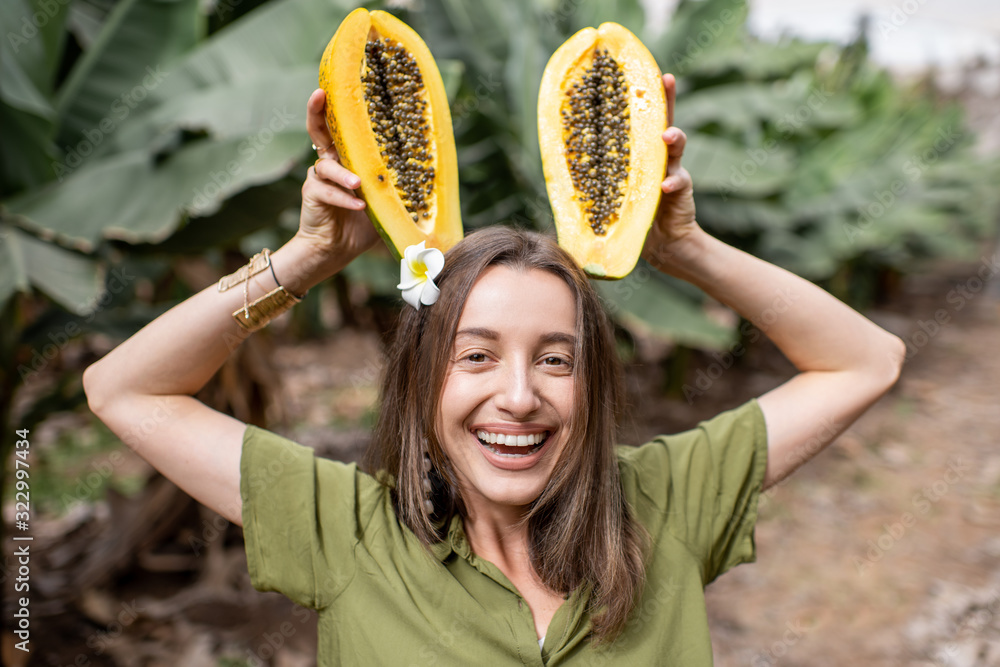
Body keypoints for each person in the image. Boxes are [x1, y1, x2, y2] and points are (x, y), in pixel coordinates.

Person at [83, 74, 905, 665]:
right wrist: (306, 257)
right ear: (422, 380)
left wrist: (685, 248)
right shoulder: (346, 529)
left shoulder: (670, 498)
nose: (519, 396)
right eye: (475, 355)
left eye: (557, 359)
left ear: (595, 384)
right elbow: (124, 389)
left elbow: (867, 360)